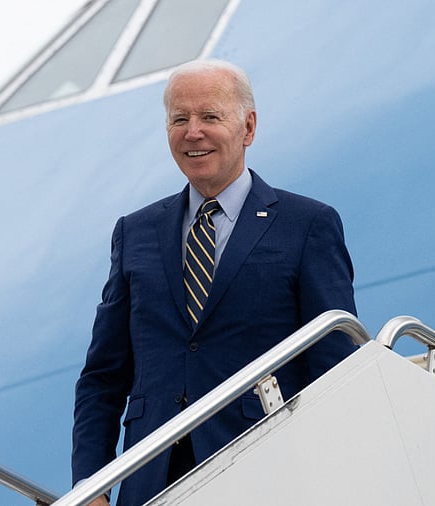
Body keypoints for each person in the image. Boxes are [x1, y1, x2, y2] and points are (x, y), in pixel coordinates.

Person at [71, 59, 358, 506]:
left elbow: (336, 366)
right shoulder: (135, 232)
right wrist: (90, 486)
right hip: (152, 481)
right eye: (179, 119)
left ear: (248, 127)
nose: (193, 133)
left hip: (268, 474)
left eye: (209, 116)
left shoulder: (306, 225)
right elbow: (103, 377)